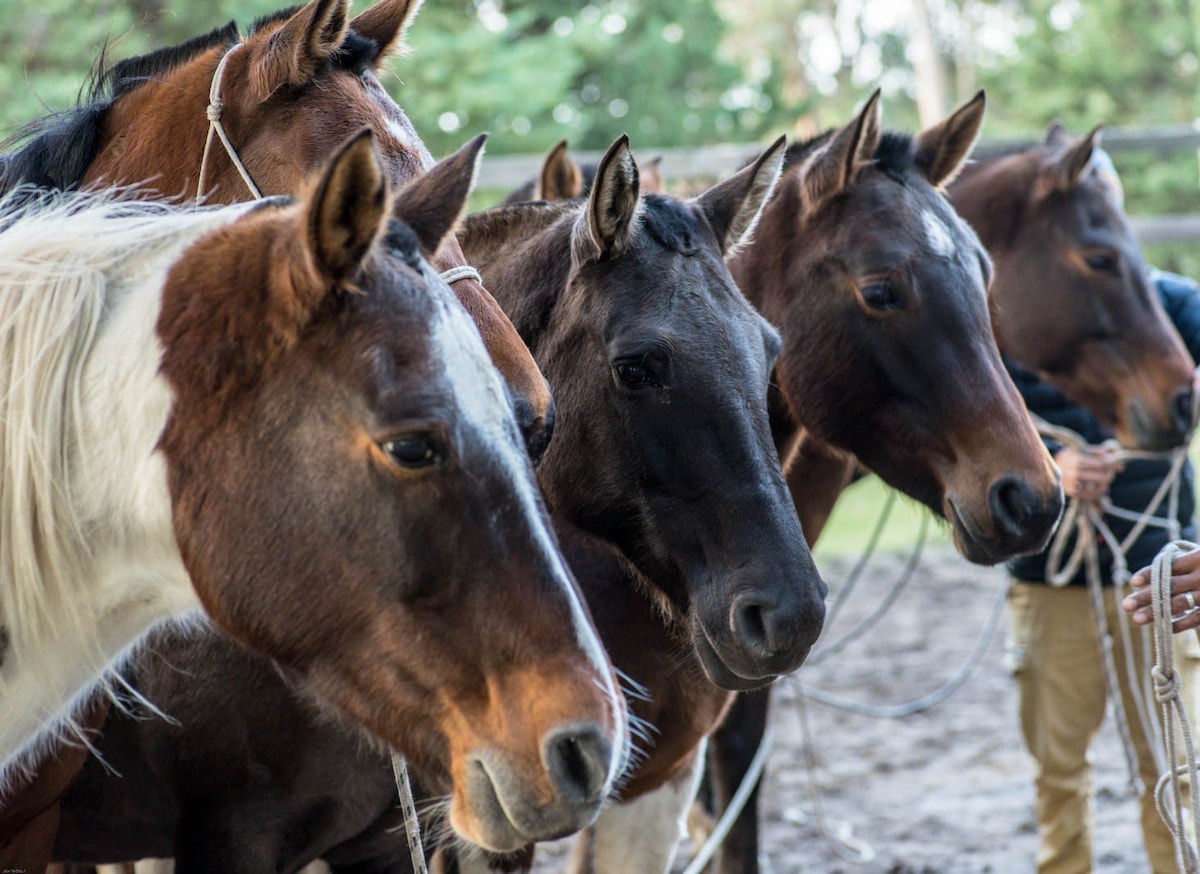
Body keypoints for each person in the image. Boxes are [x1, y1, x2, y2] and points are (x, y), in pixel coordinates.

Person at [1004, 151, 1200, 874]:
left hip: (1161, 576)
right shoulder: (1000, 328)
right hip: (1049, 578)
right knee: (1057, 771)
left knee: (1174, 767)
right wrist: (1050, 470)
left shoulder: (1169, 304)